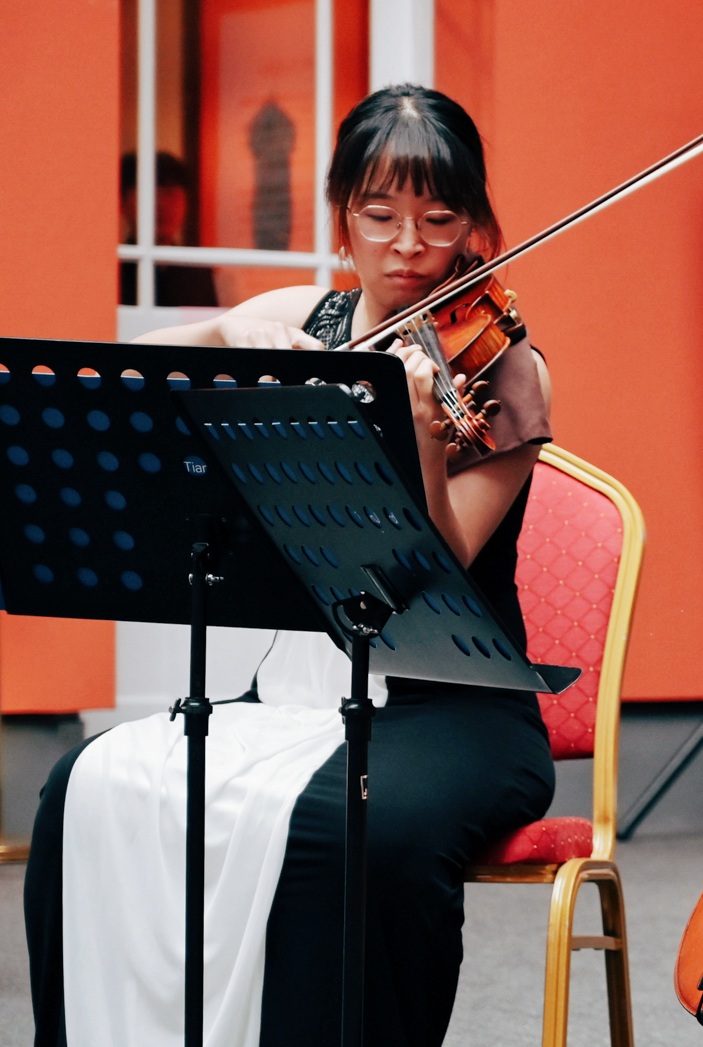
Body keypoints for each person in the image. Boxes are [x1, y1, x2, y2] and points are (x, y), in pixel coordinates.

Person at [27, 85, 555, 1046]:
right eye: (380, 215)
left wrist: (427, 434)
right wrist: (231, 343)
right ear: (343, 216)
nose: (407, 246)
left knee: (357, 833)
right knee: (85, 787)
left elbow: (436, 565)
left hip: (457, 706)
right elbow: (143, 362)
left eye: (438, 220)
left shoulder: (506, 368)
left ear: (474, 222)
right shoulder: (309, 319)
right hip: (303, 692)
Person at [119, 150, 218, 307]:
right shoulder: (114, 270)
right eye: (150, 195)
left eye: (171, 193)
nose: (161, 205)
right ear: (123, 203)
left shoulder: (198, 272)